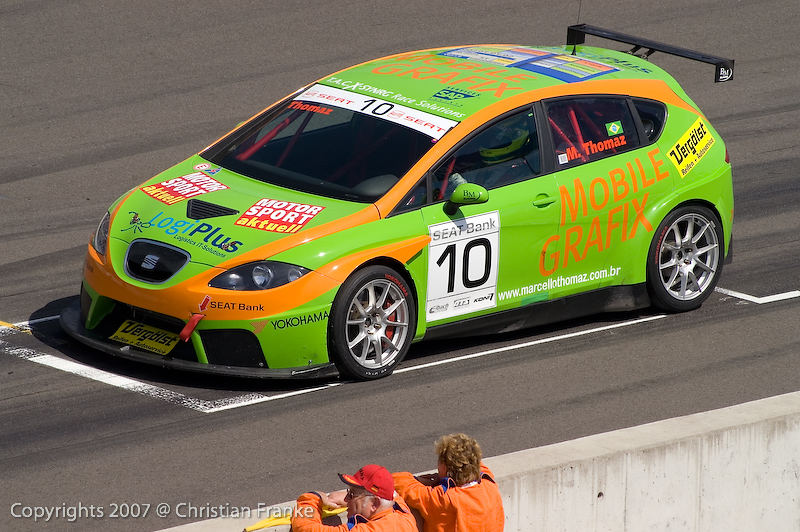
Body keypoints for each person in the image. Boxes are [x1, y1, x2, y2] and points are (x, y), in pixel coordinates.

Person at [392, 433, 505, 532]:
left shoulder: (443, 499)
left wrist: (427, 479)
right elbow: (475, 462)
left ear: (444, 468)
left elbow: (397, 481)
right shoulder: (489, 484)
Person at [291, 463, 418, 531]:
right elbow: (392, 494)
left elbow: (305, 529)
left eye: (351, 495)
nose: (346, 500)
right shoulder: (404, 515)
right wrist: (353, 497)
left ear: (374, 504)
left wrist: (312, 499)